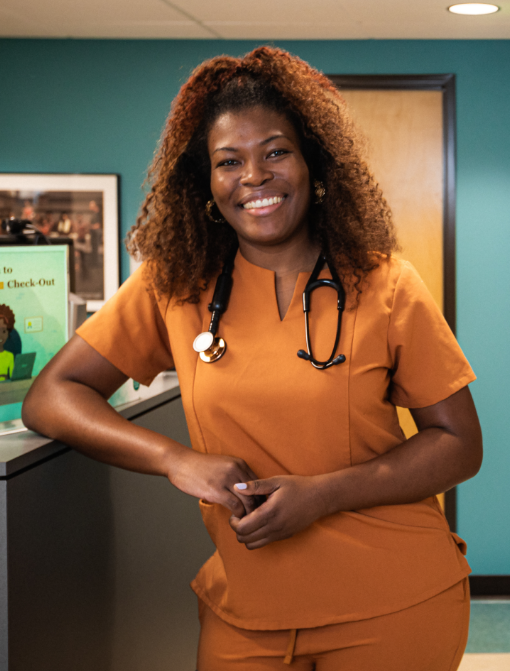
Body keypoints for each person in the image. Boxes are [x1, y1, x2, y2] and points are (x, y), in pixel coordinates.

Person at [23, 47, 482, 670]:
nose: (254, 176)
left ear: (312, 163)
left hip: (392, 600)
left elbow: (458, 443)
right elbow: (52, 396)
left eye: (275, 152)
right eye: (228, 161)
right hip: (247, 609)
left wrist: (322, 495)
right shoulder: (176, 284)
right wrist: (175, 460)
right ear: (205, 183)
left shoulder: (385, 285)